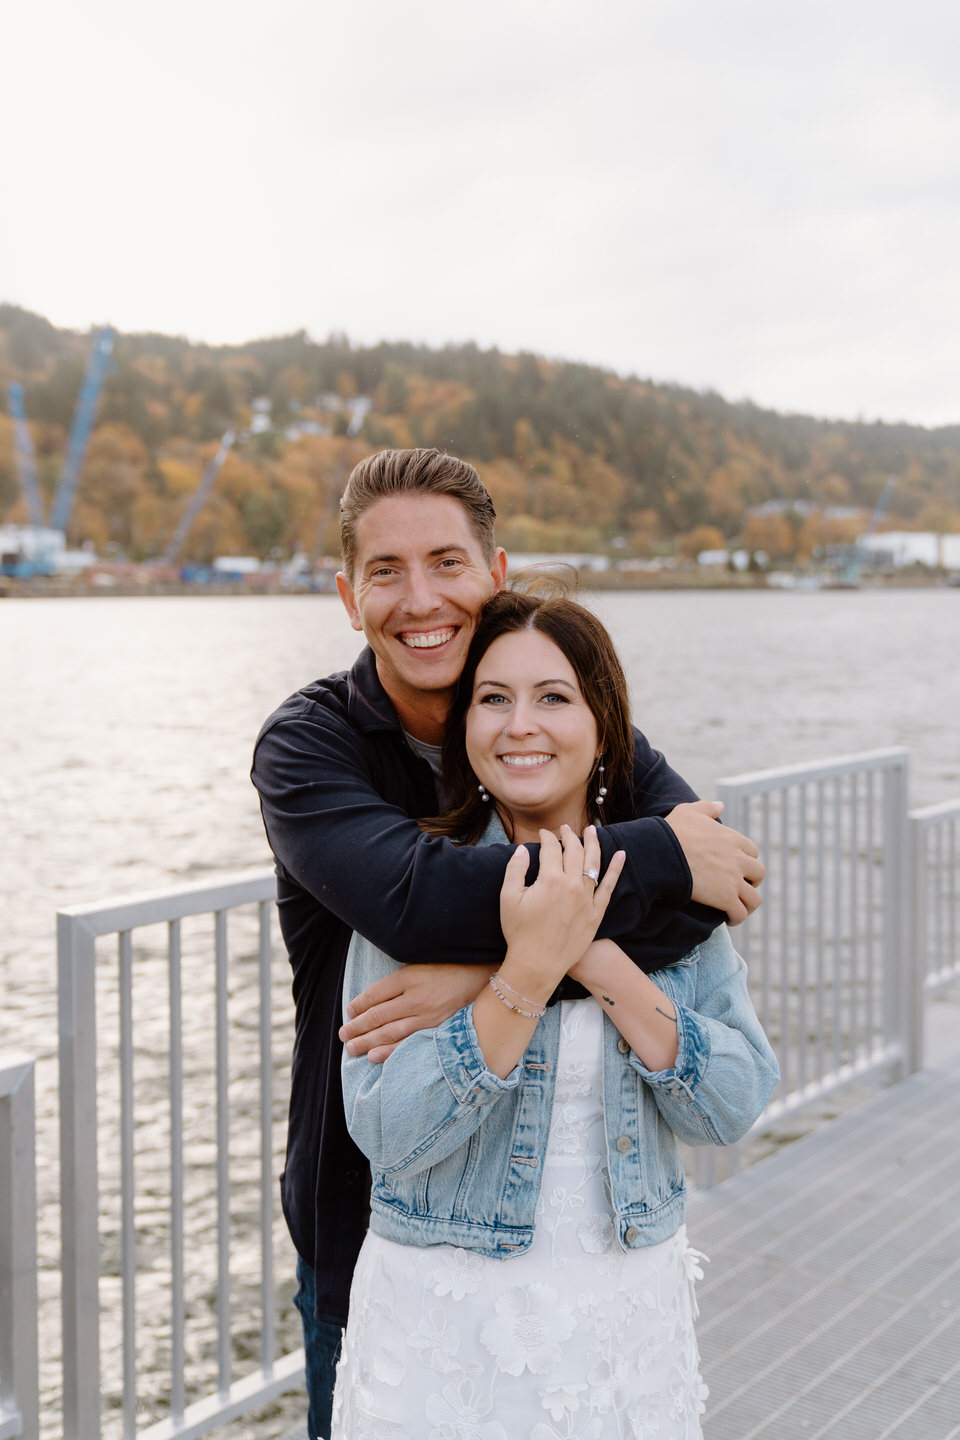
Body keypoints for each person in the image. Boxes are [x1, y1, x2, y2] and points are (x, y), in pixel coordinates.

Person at [251, 448, 765, 1439]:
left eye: (447, 561)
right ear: (348, 597)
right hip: (372, 1222)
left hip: (593, 1261)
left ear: (495, 572)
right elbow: (406, 901)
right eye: (386, 571)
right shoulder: (307, 745)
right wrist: (547, 937)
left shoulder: (553, 722)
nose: (419, 596)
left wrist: (482, 970)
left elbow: (709, 888)